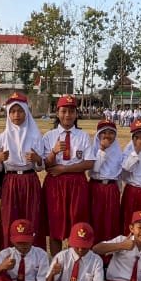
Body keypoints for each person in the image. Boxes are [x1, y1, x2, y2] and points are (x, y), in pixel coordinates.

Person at [43, 96, 96, 254]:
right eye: (64, 111)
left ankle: (73, 265)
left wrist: (64, 169)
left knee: (77, 225)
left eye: (71, 111)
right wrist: (54, 152)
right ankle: (57, 264)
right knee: (55, 227)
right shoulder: (49, 136)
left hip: (77, 184)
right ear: (57, 113)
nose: (67, 115)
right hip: (54, 185)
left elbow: (89, 163)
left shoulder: (83, 136)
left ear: (76, 114)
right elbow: (45, 165)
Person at [0, 93, 46, 250]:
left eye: (20, 111)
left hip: (30, 180)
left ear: (26, 113)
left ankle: (34, 258)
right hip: (11, 181)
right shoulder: (1, 138)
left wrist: (37, 159)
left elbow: (40, 166)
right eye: (13, 111)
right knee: (10, 218)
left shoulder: (36, 136)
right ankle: (8, 257)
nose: (16, 115)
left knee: (32, 218)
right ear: (8, 114)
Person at [88, 120, 124, 243]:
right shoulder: (93, 149)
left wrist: (118, 191)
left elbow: (119, 174)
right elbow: (95, 169)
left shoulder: (118, 151)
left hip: (112, 189)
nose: (107, 135)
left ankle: (109, 255)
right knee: (95, 219)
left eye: (111, 132)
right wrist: (102, 149)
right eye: (104, 132)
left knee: (110, 220)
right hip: (96, 187)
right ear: (98, 134)